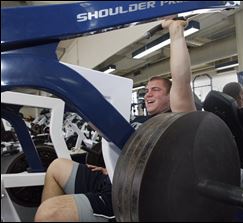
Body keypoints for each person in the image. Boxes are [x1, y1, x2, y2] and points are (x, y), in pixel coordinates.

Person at [34, 19, 196, 222]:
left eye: (155, 90)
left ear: (171, 95)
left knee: (48, 212)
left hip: (133, 195)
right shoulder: (140, 120)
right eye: (146, 91)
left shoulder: (178, 122)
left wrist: (176, 31)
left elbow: (181, 81)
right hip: (114, 177)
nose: (147, 95)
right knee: (57, 166)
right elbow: (112, 137)